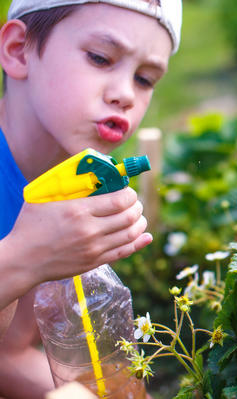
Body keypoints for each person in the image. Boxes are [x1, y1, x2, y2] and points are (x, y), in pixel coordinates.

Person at [0, 0, 182, 397]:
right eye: (100, 58)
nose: (125, 95)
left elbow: (6, 355)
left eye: (146, 79)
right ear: (18, 51)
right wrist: (23, 258)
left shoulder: (57, 193)